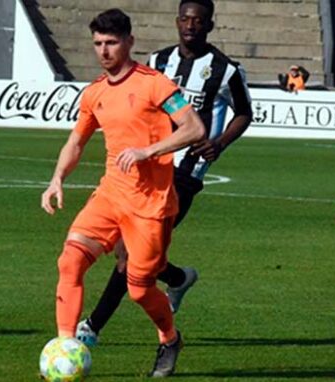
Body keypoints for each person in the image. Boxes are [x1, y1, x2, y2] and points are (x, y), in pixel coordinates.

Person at [76, 0, 253, 347]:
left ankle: (92, 327)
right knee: (141, 257)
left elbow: (244, 113)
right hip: (150, 168)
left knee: (128, 254)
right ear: (176, 22)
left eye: (198, 21)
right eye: (186, 19)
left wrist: (218, 143)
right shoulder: (158, 62)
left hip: (186, 172)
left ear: (209, 26)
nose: (191, 26)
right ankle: (178, 278)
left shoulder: (225, 70)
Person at [40, 8, 205, 377]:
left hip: (151, 204)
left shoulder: (155, 84)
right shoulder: (95, 92)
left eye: (111, 42)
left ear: (129, 42)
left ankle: (169, 338)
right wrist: (56, 179)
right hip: (111, 196)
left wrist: (149, 150)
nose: (104, 50)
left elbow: (194, 128)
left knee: (139, 290)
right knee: (70, 261)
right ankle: (65, 346)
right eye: (98, 43)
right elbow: (76, 141)